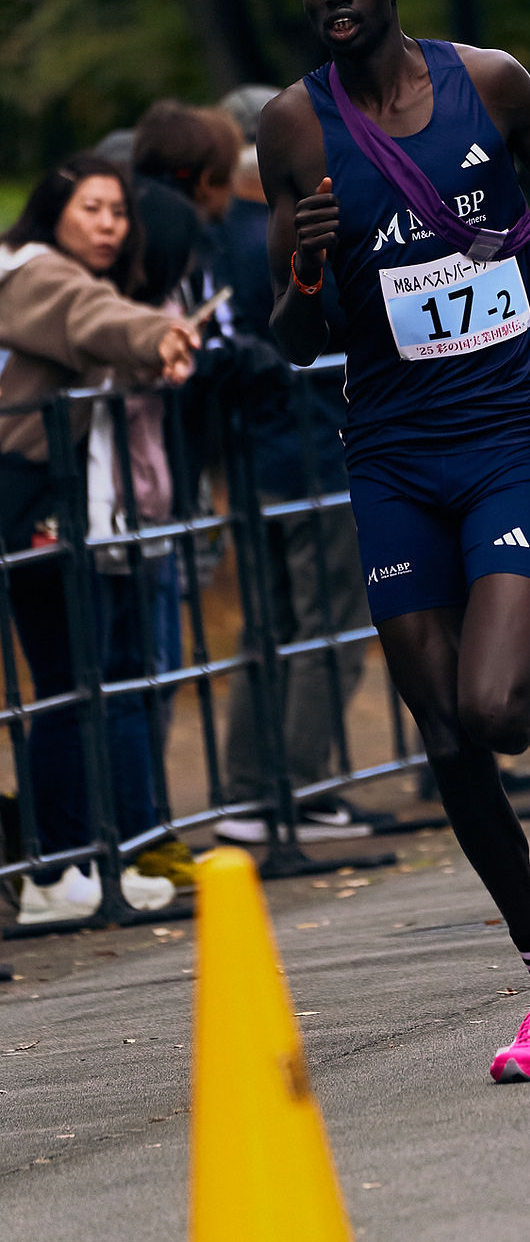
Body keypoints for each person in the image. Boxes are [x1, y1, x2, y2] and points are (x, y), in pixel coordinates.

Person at [258, 0, 530, 1083]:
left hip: (502, 440)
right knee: (445, 736)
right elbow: (289, 336)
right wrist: (309, 263)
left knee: (490, 703)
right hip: (390, 453)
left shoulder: (491, 83)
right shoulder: (290, 126)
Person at [0, 153, 200, 922]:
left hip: (73, 504)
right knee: (65, 681)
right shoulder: (33, 273)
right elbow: (94, 319)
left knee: (85, 680)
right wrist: (160, 336)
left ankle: (83, 858)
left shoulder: (63, 276)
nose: (110, 225)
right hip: (36, 500)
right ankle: (54, 870)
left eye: (118, 211)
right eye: (92, 208)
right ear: (54, 210)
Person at [208, 93, 374, 844]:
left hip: (253, 457)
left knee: (268, 625)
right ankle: (302, 790)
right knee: (329, 624)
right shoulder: (276, 238)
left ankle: (248, 789)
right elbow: (333, 322)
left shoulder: (215, 239)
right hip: (312, 446)